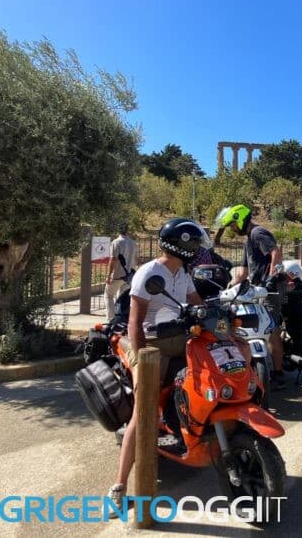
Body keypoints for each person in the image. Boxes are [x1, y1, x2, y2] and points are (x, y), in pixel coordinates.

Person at [104, 217, 208, 516]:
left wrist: (216, 313)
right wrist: (141, 361)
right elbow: (135, 321)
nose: (197, 247)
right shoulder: (149, 272)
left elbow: (197, 303)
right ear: (181, 245)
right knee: (143, 412)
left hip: (181, 340)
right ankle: (119, 486)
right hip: (153, 345)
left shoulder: (183, 272)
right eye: (193, 243)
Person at [214, 204, 286, 389]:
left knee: (271, 328)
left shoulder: (257, 233)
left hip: (269, 290)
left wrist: (271, 278)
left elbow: (276, 253)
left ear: (240, 219)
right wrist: (227, 287)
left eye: (232, 225)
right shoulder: (248, 242)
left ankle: (278, 374)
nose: (232, 228)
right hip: (256, 290)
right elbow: (243, 273)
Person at [105, 223, 138, 321]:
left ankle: (111, 319)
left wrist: (109, 275)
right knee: (122, 298)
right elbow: (136, 260)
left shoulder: (116, 242)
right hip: (129, 276)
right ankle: (121, 318)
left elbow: (113, 259)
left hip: (117, 275)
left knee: (108, 295)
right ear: (127, 230)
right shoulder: (133, 243)